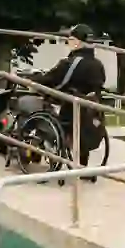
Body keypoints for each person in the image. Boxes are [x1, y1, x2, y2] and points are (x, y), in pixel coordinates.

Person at [38, 24, 106, 178]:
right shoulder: (98, 65)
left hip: (70, 110)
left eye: (70, 39)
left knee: (44, 106)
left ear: (77, 42)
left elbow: (52, 80)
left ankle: (43, 148)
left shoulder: (71, 63)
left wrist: (31, 80)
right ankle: (82, 167)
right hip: (90, 110)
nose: (67, 42)